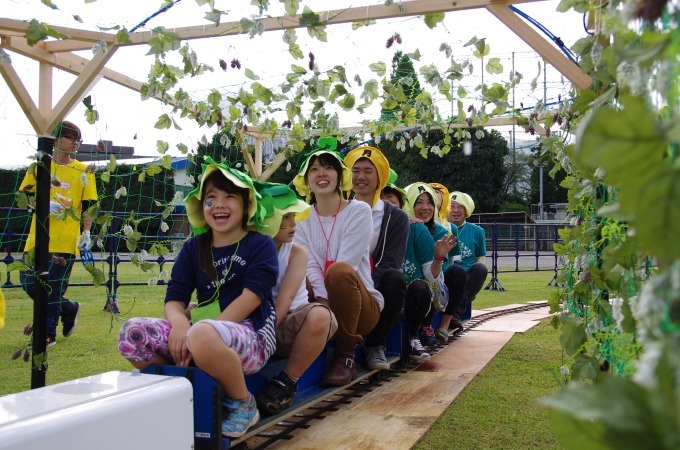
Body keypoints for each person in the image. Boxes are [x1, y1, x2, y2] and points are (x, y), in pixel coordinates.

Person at [117, 158, 278, 438]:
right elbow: (175, 299)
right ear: (202, 207)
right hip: (202, 332)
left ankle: (243, 404)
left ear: (245, 205)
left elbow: (252, 298)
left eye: (229, 197)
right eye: (211, 198)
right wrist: (180, 326)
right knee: (132, 333)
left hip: (252, 335)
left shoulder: (259, 244)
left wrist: (201, 334)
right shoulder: (194, 247)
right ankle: (174, 392)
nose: (219, 205)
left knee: (202, 334)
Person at [292, 137, 382, 386]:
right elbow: (308, 265)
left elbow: (348, 263)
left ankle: (345, 355)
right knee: (297, 273)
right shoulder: (301, 217)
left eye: (328, 167)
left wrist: (325, 304)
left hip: (360, 306)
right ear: (306, 179)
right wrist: (322, 304)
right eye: (314, 169)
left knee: (340, 271)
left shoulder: (358, 211)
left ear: (340, 176)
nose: (321, 174)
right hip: (322, 304)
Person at [252, 181, 338, 415]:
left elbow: (286, 299)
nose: (293, 224)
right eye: (284, 218)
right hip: (254, 321)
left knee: (322, 315)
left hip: (288, 322)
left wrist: (263, 337)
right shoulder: (249, 249)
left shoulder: (296, 253)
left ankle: (285, 382)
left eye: (293, 217)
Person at [19, 120, 97, 347]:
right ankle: (68, 307)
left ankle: (46, 335)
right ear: (55, 139)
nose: (75, 143)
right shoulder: (39, 166)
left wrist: (87, 233)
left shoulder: (84, 171)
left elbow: (89, 206)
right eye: (71, 137)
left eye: (78, 139)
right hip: (37, 238)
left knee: (52, 286)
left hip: (66, 241)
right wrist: (41, 204)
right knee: (28, 283)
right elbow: (24, 197)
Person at [344, 146, 408, 371]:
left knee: (394, 278)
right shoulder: (340, 209)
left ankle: (376, 345)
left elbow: (390, 261)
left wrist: (361, 287)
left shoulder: (396, 217)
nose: (361, 177)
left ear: (379, 176)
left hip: (373, 283)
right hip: (341, 280)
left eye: (368, 171)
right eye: (356, 170)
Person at [402, 183, 458, 356]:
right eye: (419, 202)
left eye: (429, 203)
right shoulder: (392, 224)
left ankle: (417, 332)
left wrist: (439, 257)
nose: (425, 208)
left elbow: (432, 275)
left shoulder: (422, 230)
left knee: (426, 285)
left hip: (416, 285)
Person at [446, 191, 488, 319]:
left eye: (460, 207)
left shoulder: (478, 231)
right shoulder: (441, 228)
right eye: (452, 206)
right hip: (448, 274)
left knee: (481, 268)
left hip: (467, 278)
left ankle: (455, 312)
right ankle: (452, 316)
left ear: (467, 210)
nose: (456, 210)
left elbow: (480, 258)